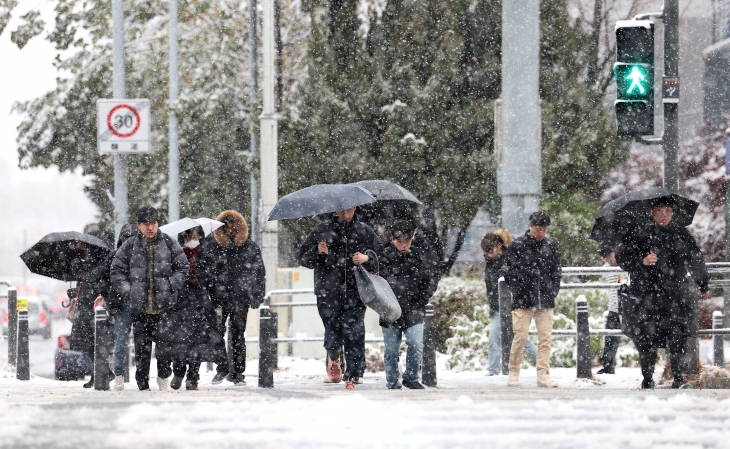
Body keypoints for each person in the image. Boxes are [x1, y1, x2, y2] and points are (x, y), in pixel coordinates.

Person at [615, 197, 710, 389]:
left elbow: (695, 258)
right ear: (652, 211)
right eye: (660, 210)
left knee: (677, 336)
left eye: (668, 211)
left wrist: (703, 284)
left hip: (675, 295)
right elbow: (622, 257)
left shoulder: (681, 234)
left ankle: (678, 376)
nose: (664, 215)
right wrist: (642, 260)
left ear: (673, 213)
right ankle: (647, 376)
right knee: (645, 339)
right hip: (646, 294)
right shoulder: (638, 232)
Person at [297, 207, 383, 390]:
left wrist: (367, 257)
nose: (346, 211)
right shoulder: (321, 230)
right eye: (341, 208)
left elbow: (381, 255)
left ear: (355, 207)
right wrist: (317, 251)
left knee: (355, 330)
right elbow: (302, 258)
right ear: (335, 210)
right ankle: (333, 354)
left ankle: (353, 373)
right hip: (328, 292)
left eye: (349, 207)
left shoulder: (364, 230)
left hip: (356, 291)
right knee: (333, 329)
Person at [110, 206, 189, 391]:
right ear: (138, 225)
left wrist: (170, 285)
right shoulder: (129, 246)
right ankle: (142, 383)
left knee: (164, 349)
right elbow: (116, 270)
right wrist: (129, 290)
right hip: (140, 307)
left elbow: (183, 267)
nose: (150, 227)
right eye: (146, 224)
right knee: (142, 350)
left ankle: (163, 378)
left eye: (153, 223)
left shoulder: (169, 243)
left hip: (163, 307)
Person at [199, 210, 265, 386]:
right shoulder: (211, 248)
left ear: (239, 227)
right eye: (226, 227)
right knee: (216, 333)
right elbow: (203, 274)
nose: (230, 230)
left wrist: (257, 294)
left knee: (238, 335)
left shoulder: (250, 247)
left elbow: (259, 273)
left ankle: (237, 373)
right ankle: (222, 367)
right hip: (217, 298)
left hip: (240, 298)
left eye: (233, 226)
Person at [502, 211, 561, 388]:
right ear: (530, 227)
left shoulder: (551, 245)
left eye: (544, 229)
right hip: (523, 299)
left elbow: (556, 271)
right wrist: (518, 288)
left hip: (545, 298)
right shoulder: (517, 245)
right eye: (538, 229)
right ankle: (513, 371)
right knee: (520, 336)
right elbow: (508, 271)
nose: (541, 232)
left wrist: (553, 290)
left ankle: (543, 373)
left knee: (545, 338)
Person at [380, 219, 439, 390]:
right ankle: (392, 380)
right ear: (392, 239)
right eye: (400, 241)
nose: (404, 245)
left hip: (414, 308)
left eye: (407, 241)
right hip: (389, 309)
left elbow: (430, 279)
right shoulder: (383, 257)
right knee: (391, 349)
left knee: (416, 343)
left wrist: (421, 300)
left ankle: (411, 377)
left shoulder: (419, 255)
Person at [167, 226, 224, 390]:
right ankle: (178, 372)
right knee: (179, 341)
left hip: (200, 304)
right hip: (180, 304)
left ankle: (192, 377)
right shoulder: (175, 255)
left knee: (197, 343)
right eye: (191, 235)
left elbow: (212, 282)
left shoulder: (205, 256)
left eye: (197, 235)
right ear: (183, 237)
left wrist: (217, 305)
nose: (194, 239)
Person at [482, 230, 537, 376]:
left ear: (500, 245)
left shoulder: (510, 260)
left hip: (511, 307)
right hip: (497, 308)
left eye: (491, 250)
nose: (489, 254)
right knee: (506, 339)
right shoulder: (490, 263)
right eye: (486, 251)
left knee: (520, 339)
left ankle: (541, 364)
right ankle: (493, 371)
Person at [94, 223, 138, 391]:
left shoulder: (141, 257)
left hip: (136, 302)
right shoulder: (114, 256)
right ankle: (119, 375)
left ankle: (137, 376)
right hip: (121, 303)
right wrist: (107, 294)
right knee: (121, 341)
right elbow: (104, 278)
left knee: (140, 342)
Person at [70, 240, 114, 388]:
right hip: (85, 306)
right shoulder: (82, 259)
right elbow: (81, 278)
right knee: (85, 342)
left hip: (92, 308)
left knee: (92, 342)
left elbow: (94, 279)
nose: (76, 246)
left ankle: (101, 373)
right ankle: (101, 372)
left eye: (78, 244)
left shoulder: (97, 260)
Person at [595, 242, 625, 375]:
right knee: (610, 338)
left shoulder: (625, 264)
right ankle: (608, 367)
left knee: (638, 338)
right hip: (613, 307)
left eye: (609, 255)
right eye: (605, 257)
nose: (609, 259)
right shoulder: (606, 268)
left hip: (627, 308)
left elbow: (624, 286)